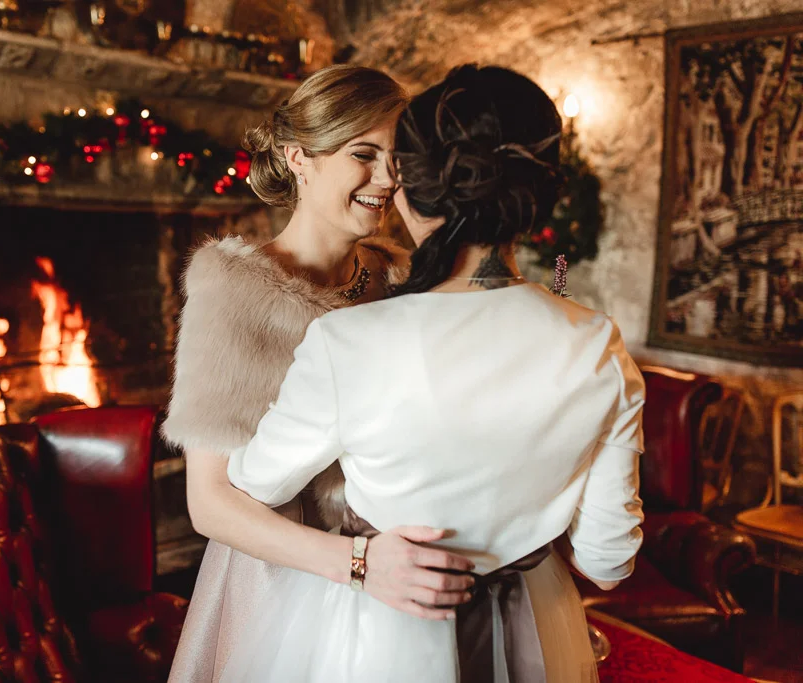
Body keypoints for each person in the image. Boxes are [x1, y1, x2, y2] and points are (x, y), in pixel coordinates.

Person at [221, 64, 646, 682]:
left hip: (384, 629)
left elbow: (256, 482)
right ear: (533, 197)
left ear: (411, 190)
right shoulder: (598, 344)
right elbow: (608, 562)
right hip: (535, 622)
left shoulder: (347, 341)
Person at [163, 65, 477, 683]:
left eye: (397, 159)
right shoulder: (232, 291)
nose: (388, 179)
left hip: (408, 581)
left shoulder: (404, 280)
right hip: (285, 585)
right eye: (364, 155)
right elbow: (209, 503)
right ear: (298, 159)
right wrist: (360, 565)